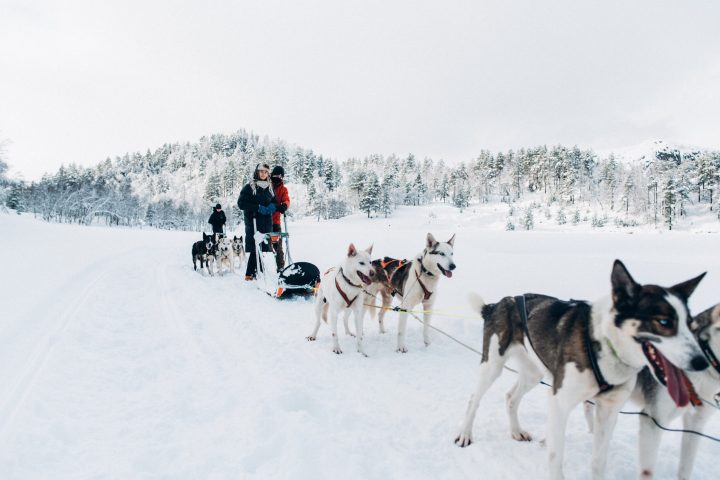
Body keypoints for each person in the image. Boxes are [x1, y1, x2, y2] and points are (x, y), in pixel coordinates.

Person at [237, 163, 276, 280]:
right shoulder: (249, 187)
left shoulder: (270, 187)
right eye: (261, 171)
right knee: (255, 247)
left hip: (266, 222)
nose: (263, 174)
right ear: (257, 172)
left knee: (261, 248)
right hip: (253, 221)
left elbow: (274, 200)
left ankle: (257, 271)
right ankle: (250, 274)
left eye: (265, 172)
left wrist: (272, 206)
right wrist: (257, 207)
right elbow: (241, 203)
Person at [270, 165, 290, 271]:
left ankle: (281, 267)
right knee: (262, 246)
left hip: (275, 223)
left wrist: (284, 205)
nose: (277, 177)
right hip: (264, 222)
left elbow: (286, 200)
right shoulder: (267, 186)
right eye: (275, 175)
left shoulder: (283, 189)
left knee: (278, 247)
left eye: (279, 175)